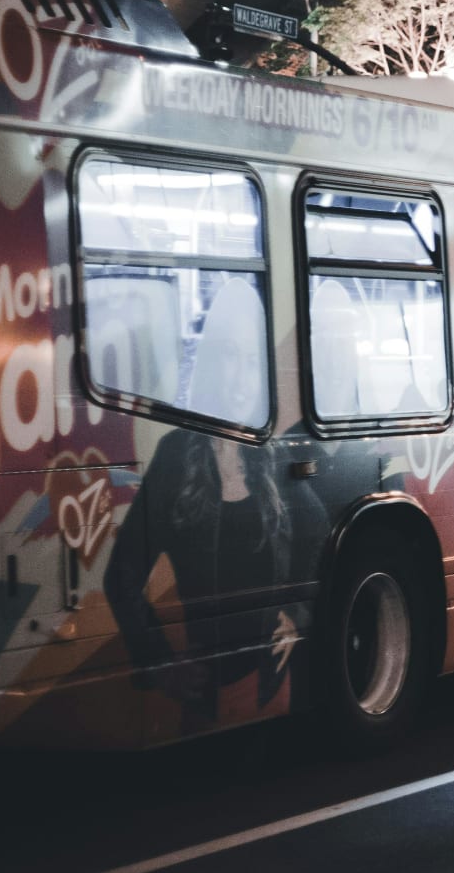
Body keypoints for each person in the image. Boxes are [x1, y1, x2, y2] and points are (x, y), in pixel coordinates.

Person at [105, 279, 325, 733]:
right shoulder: (175, 455)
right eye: (229, 356)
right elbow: (121, 578)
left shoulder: (271, 454)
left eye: (252, 362)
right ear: (209, 362)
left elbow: (320, 534)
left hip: (272, 687)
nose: (241, 378)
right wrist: (161, 662)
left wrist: (297, 615)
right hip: (199, 699)